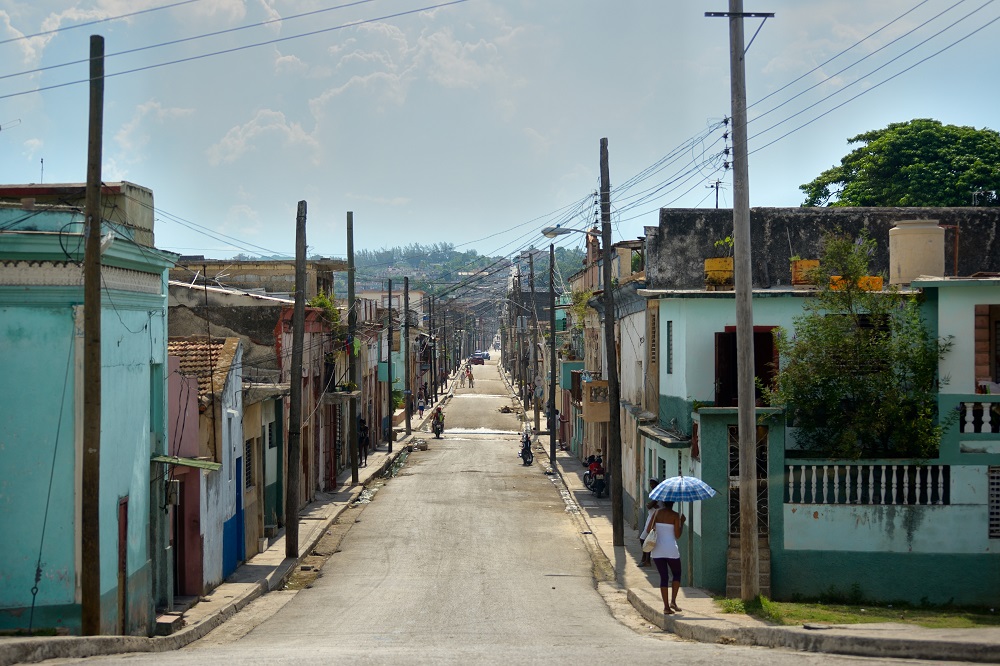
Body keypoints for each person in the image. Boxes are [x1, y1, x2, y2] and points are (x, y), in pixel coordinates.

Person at [649, 500, 686, 614]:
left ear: (663, 503)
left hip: (657, 550)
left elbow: (648, 530)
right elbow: (678, 535)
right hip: (671, 549)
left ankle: (666, 607)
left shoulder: (656, 513)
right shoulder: (675, 515)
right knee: (676, 574)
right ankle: (673, 602)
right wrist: (682, 522)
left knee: (663, 577)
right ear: (673, 503)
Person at [639, 478, 661, 567]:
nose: (652, 486)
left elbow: (649, 505)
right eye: (651, 484)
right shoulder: (654, 494)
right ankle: (645, 558)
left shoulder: (658, 494)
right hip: (651, 517)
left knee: (644, 538)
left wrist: (650, 505)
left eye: (653, 484)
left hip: (654, 519)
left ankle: (646, 559)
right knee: (647, 539)